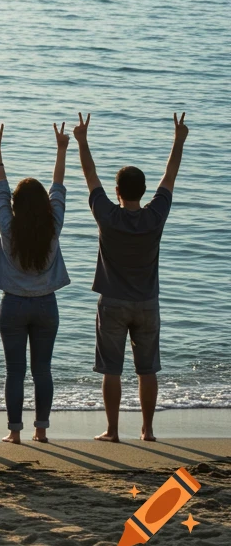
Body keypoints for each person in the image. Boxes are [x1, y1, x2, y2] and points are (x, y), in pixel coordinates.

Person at [74, 112, 187, 443]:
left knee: (112, 369)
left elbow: (89, 175)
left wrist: (82, 141)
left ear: (117, 190)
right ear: (144, 190)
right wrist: (178, 140)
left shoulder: (107, 216)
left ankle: (112, 430)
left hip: (112, 302)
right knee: (147, 369)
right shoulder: (156, 215)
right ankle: (148, 430)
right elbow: (170, 175)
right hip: (147, 303)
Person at [0, 123, 71, 445]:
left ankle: (14, 432)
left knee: (15, 372)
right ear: (45, 208)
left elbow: (1, 191)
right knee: (43, 370)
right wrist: (62, 149)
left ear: (15, 208)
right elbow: (58, 188)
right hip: (46, 304)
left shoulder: (8, 227)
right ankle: (41, 431)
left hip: (13, 305)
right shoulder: (54, 226)